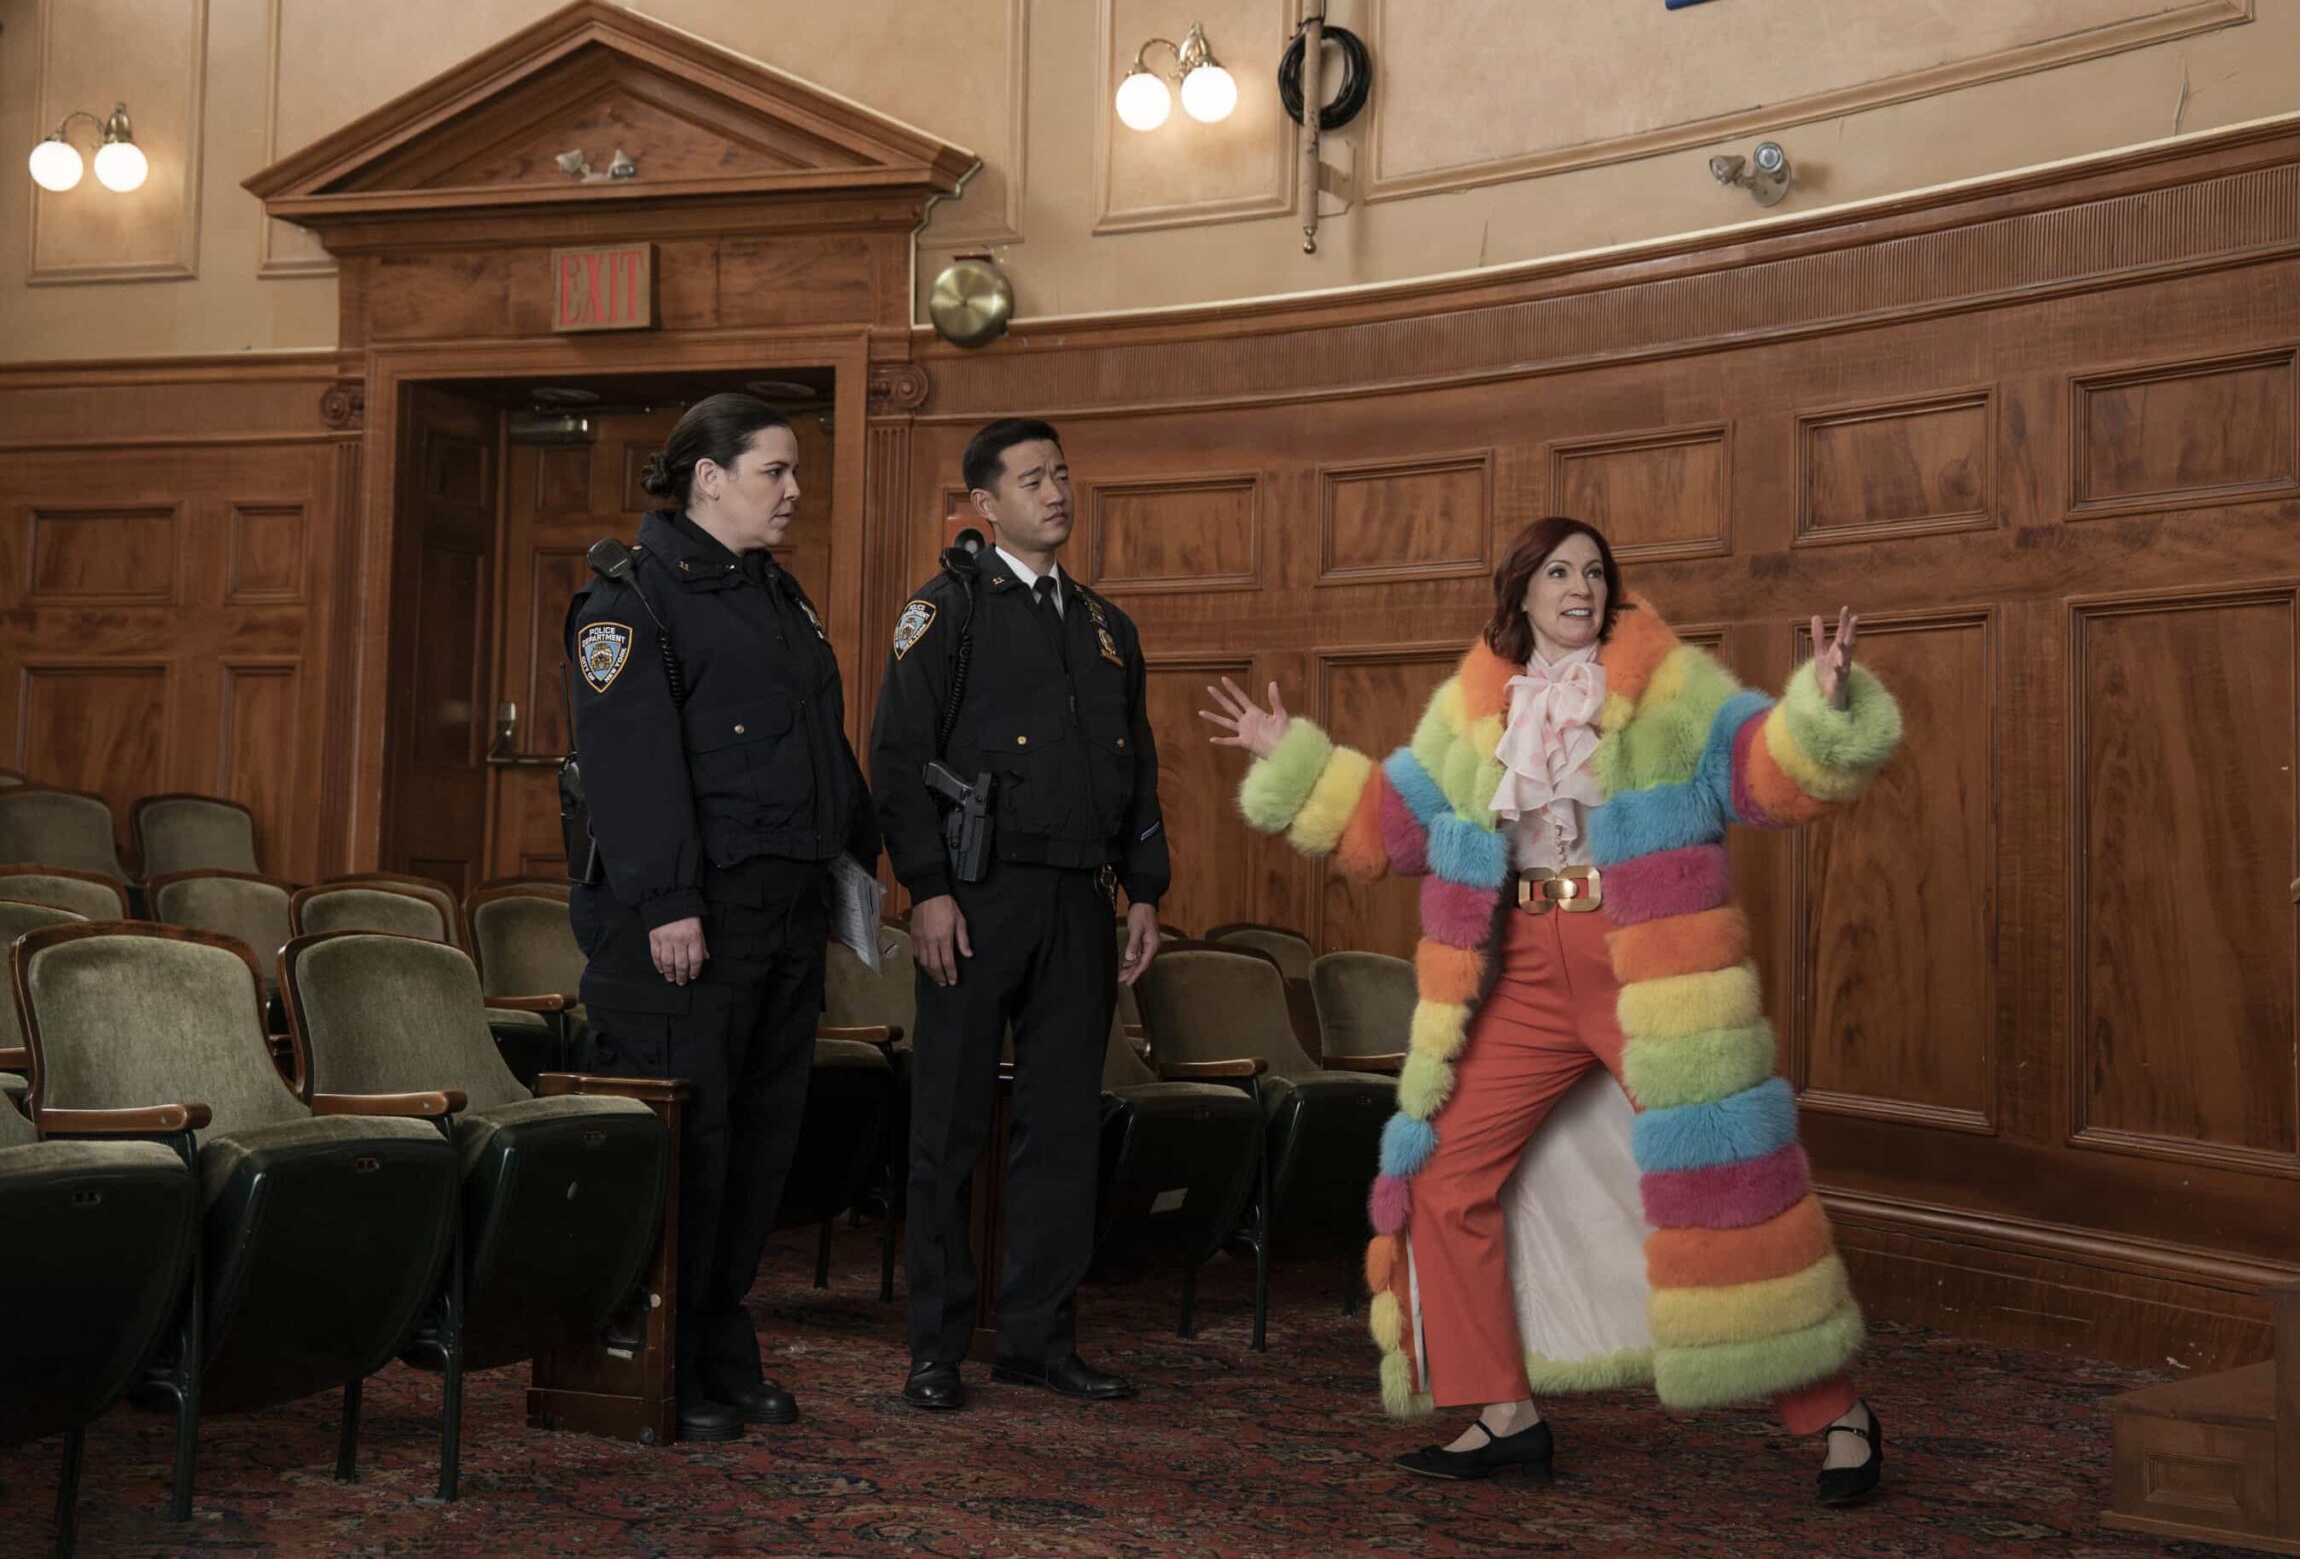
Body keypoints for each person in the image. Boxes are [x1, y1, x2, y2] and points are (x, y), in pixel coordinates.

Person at [1203, 516, 1901, 1503]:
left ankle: (1836, 1415)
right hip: (1522, 968)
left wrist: (1819, 709)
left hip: (1646, 962)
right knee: (1443, 1173)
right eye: (1560, 571)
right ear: (1522, 591)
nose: (1580, 586)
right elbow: (1398, 825)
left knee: (1729, 1185)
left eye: (1595, 572)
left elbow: (1760, 770)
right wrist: (1298, 761)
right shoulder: (1472, 708)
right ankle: (1503, 1411)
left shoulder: (1673, 687)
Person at [565, 392, 880, 1445]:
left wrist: (863, 861)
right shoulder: (632, 600)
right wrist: (667, 903)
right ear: (708, 476)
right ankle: (662, 1356)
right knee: (690, 1150)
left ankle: (719, 1343)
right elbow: (630, 766)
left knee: (758, 1144)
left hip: (783, 909)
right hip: (688, 922)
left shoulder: (774, 597)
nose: (793, 492)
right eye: (773, 472)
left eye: (794, 474)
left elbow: (819, 746)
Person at [870, 417, 1168, 1411]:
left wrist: (1146, 891)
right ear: (985, 504)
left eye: (1064, 474)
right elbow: (899, 758)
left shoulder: (1101, 625)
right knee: (948, 1124)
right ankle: (936, 1348)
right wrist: (929, 891)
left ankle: (1039, 1337)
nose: (1057, 491)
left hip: (1080, 898)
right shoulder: (945, 609)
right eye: (1033, 478)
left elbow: (1137, 767)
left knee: (1061, 1127)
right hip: (977, 893)